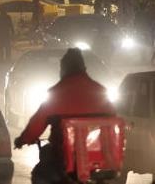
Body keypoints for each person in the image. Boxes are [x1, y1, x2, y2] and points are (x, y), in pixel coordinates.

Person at [15, 48, 117, 184]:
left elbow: (37, 123)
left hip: (62, 155)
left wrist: (23, 139)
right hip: (96, 154)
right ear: (84, 68)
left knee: (41, 174)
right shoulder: (100, 91)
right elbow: (113, 117)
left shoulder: (56, 93)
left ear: (63, 69)